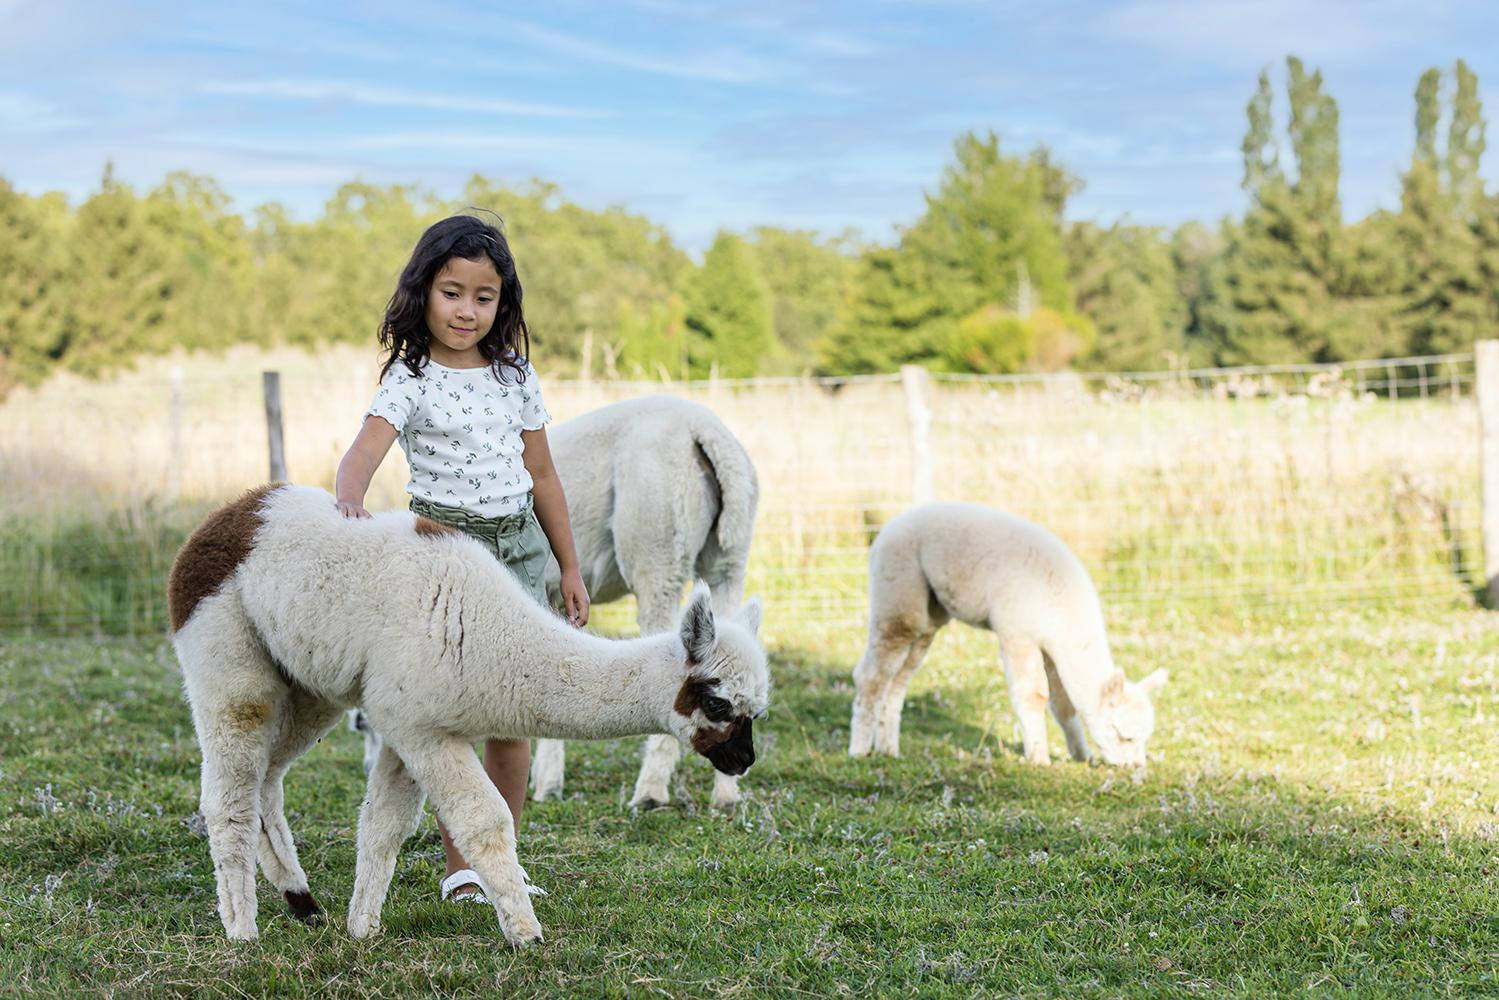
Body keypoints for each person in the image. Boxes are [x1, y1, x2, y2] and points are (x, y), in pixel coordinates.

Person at [334, 213, 590, 904]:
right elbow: (364, 449)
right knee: (454, 717)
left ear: (502, 303)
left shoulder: (514, 375)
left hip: (516, 547)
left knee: (514, 716)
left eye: (484, 296)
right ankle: (462, 868)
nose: (466, 310)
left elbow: (542, 476)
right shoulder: (409, 376)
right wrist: (350, 502)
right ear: (424, 290)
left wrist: (566, 567)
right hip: (442, 551)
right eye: (452, 292)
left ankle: (500, 859)